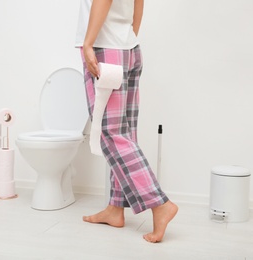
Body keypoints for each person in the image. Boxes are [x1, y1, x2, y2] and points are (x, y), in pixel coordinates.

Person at [75, 0, 178, 243]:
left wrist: (89, 43)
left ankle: (159, 203)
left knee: (111, 133)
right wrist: (128, 35)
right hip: (129, 48)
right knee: (125, 133)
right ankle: (115, 208)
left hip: (105, 49)